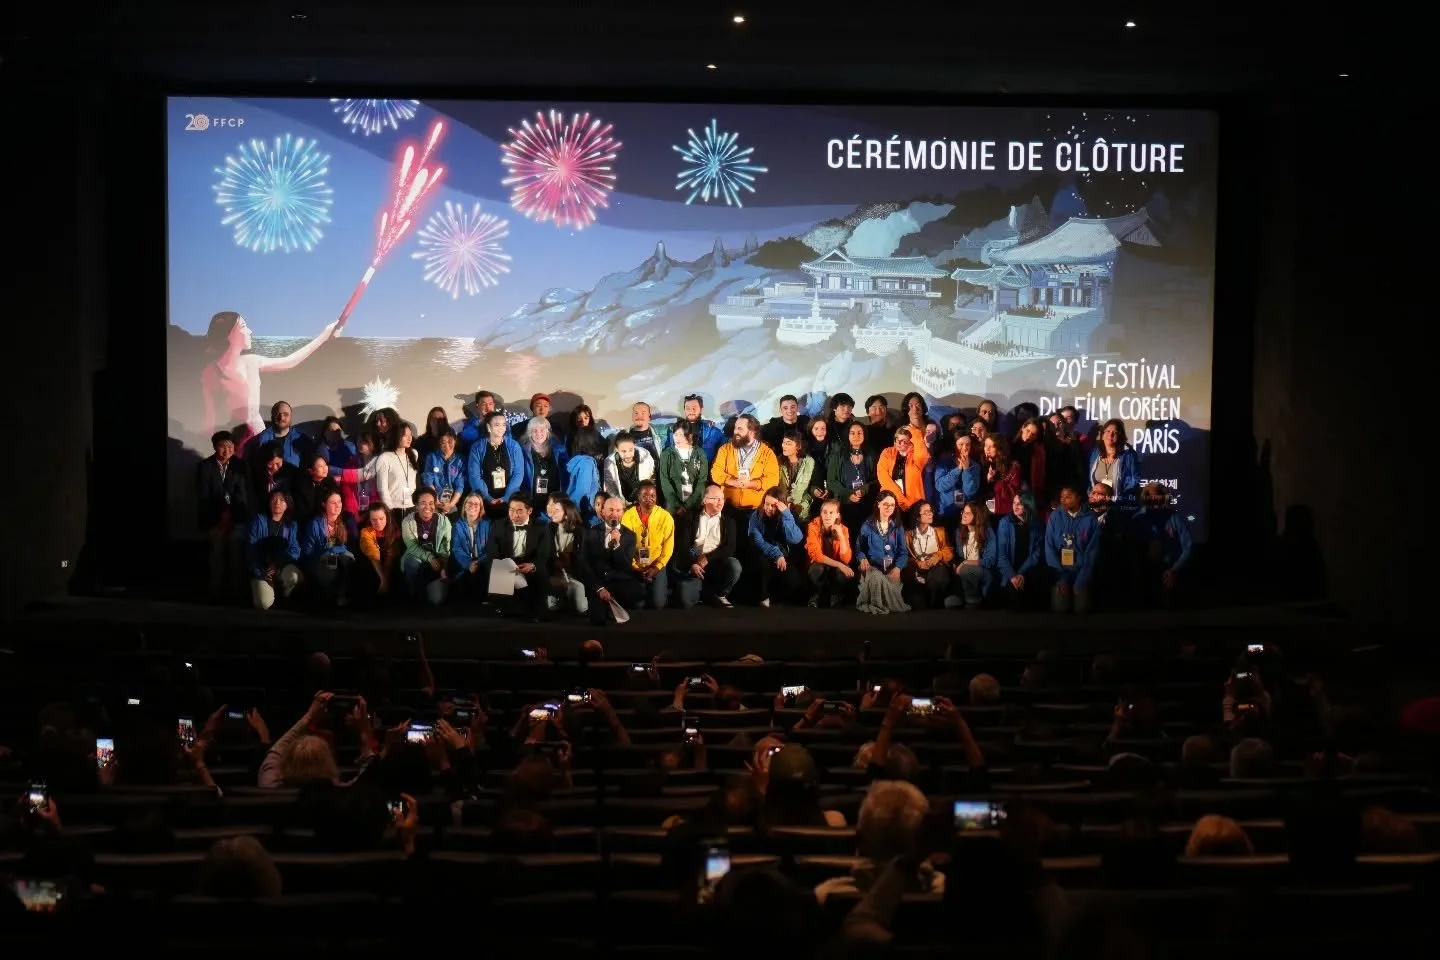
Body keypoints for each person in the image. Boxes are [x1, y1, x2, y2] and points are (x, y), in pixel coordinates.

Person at [199, 310, 337, 443]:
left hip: (261, 437)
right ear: (230, 334)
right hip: (236, 441)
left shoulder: (252, 362)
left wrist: (324, 336)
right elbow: (209, 419)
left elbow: (290, 361)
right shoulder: (211, 373)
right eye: (243, 326)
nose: (250, 331)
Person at [670, 483, 740, 609]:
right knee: (685, 601)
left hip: (715, 563)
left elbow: (730, 548)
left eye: (722, 499)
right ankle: (704, 594)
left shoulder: (729, 521)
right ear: (705, 500)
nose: (721, 502)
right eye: (716, 499)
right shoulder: (690, 517)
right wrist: (692, 564)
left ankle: (719, 594)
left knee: (734, 565)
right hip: (694, 564)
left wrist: (708, 558)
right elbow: (682, 545)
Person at [580, 494, 645, 625]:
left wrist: (617, 545)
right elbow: (584, 563)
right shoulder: (591, 533)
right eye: (610, 510)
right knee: (598, 620)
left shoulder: (630, 536)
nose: (614, 514)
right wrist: (599, 588)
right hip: (598, 582)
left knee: (639, 591)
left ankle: (614, 602)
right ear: (603, 512)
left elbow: (625, 565)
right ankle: (604, 605)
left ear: (623, 513)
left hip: (618, 582)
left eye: (618, 510)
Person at [746, 487, 804, 607]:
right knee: (762, 564)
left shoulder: (788, 515)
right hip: (763, 552)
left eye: (773, 505)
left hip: (783, 554)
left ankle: (774, 598)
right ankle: (763, 596)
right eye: (767, 504)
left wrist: (786, 514)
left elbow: (796, 539)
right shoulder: (756, 515)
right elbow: (757, 541)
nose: (769, 508)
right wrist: (777, 554)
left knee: (794, 581)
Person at [1045, 485, 1099, 614]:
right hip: (1060, 572)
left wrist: (1081, 580)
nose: (1063, 500)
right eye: (1061, 497)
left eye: (1068, 497)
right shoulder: (1055, 516)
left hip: (1081, 572)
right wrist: (1061, 578)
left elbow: (1092, 553)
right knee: (1060, 608)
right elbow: (1049, 547)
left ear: (1078, 498)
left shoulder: (1090, 518)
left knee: (1081, 609)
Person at [804, 498, 854, 608]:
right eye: (825, 512)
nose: (828, 516)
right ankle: (816, 595)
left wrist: (841, 536)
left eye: (831, 513)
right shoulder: (813, 526)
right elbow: (816, 555)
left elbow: (846, 559)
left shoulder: (844, 529)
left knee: (843, 572)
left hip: (835, 568)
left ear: (837, 515)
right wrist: (839, 564)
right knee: (817, 568)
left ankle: (835, 595)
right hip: (819, 564)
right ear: (821, 513)